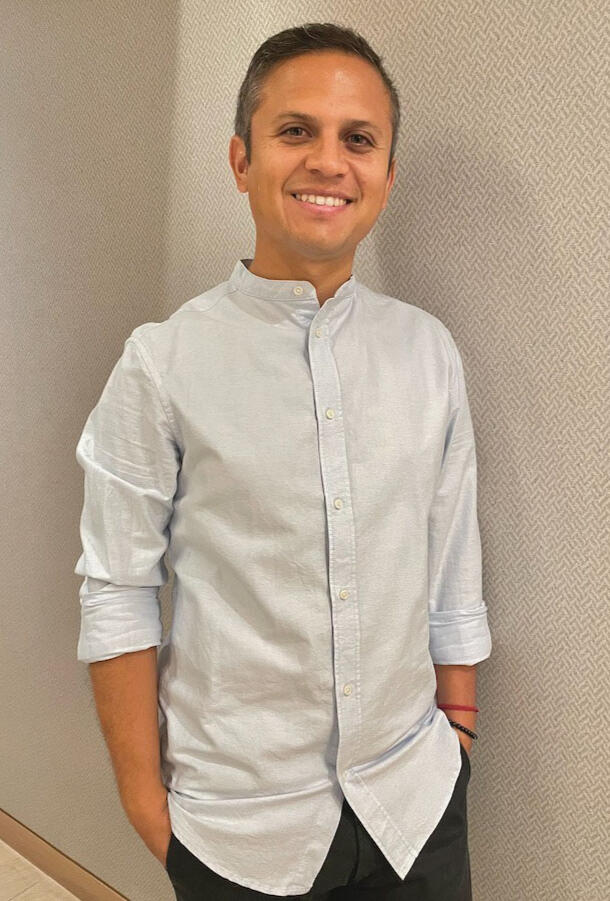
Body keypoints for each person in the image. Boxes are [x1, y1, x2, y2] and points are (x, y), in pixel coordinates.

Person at [74, 22, 491, 901]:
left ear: (387, 175)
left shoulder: (429, 352)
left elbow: (452, 562)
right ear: (242, 158)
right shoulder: (163, 363)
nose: (328, 161)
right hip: (238, 832)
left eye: (358, 139)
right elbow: (117, 589)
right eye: (296, 130)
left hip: (416, 803)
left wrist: (458, 732)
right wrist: (147, 805)